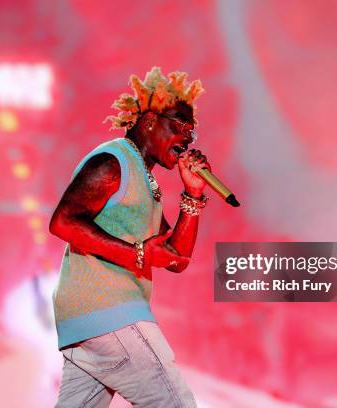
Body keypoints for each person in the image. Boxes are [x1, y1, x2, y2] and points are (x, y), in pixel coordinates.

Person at [49, 67, 210, 407]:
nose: (186, 137)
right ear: (149, 121)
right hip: (110, 309)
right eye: (179, 126)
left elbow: (176, 258)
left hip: (87, 321)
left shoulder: (144, 180)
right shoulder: (113, 161)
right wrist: (136, 253)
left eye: (191, 132)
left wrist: (193, 195)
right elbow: (63, 221)